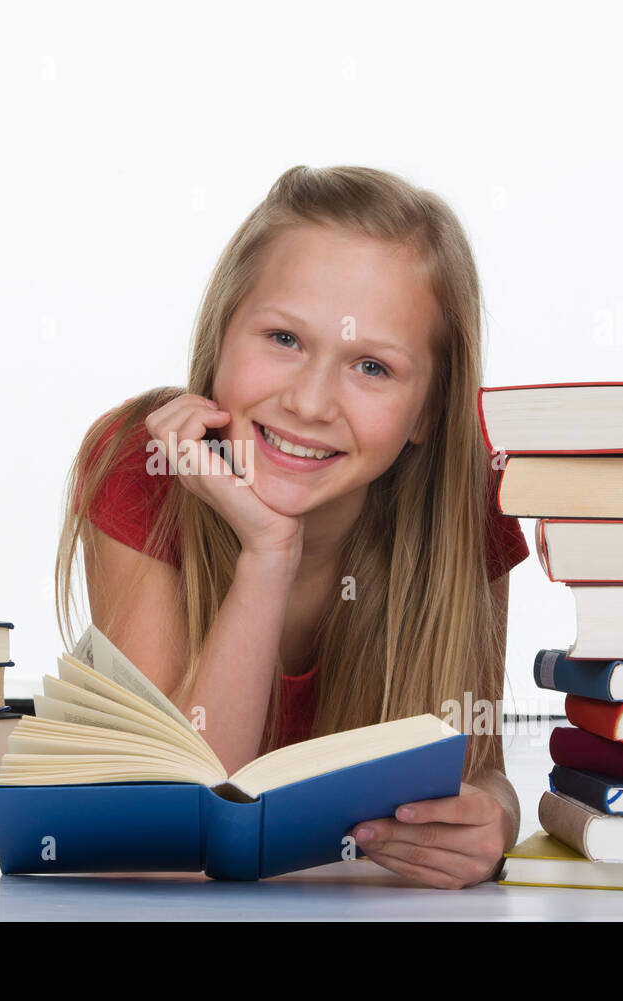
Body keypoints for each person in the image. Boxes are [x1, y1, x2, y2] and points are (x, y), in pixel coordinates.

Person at [53, 165, 530, 887]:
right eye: (283, 338)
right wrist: (267, 552)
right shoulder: (141, 463)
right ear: (219, 340)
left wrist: (494, 820)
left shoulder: (466, 497)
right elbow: (181, 810)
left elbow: (482, 764)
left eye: (371, 366)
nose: (309, 403)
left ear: (431, 410)